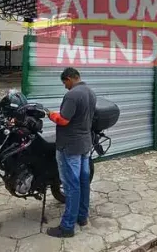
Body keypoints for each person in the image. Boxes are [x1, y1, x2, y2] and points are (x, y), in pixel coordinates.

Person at [45, 67, 97, 238]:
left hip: (70, 147)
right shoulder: (90, 92)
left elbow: (63, 120)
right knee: (83, 183)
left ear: (69, 78)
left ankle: (67, 227)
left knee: (71, 186)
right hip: (85, 145)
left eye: (65, 83)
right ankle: (82, 217)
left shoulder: (73, 95)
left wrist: (50, 114)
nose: (65, 87)